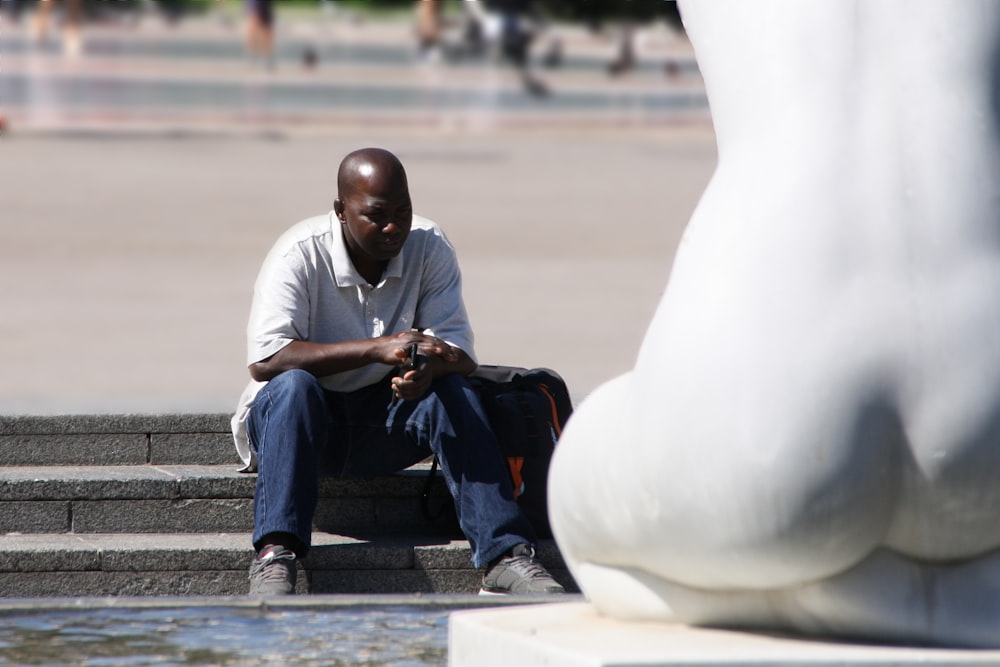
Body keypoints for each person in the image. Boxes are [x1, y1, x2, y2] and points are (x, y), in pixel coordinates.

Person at [231, 147, 565, 597]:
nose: (394, 227)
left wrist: (424, 370)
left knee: (454, 389)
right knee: (294, 387)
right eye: (377, 215)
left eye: (403, 211)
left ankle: (505, 557)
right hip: (298, 427)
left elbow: (461, 352)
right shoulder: (299, 254)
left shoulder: (429, 244)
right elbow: (266, 360)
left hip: (384, 420)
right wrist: (376, 349)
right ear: (341, 212)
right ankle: (276, 556)